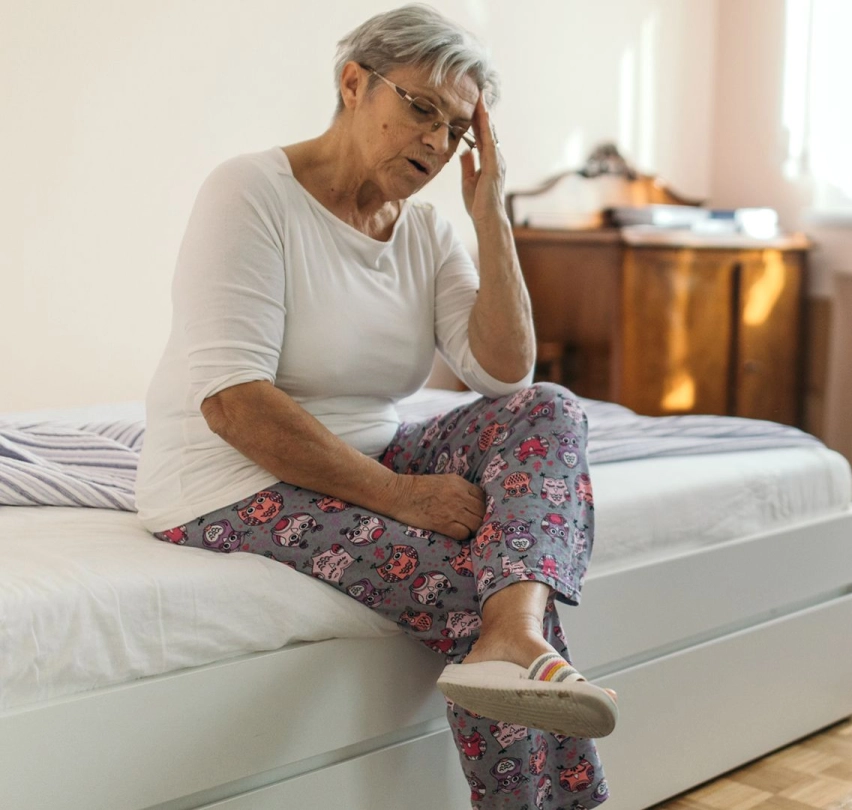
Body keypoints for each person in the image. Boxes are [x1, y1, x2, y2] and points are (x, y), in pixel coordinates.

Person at [134, 5, 615, 807]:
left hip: (368, 451)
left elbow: (504, 372)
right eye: (422, 108)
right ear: (354, 83)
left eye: (457, 130)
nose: (435, 141)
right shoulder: (251, 192)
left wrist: (489, 211)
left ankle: (514, 632)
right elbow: (234, 405)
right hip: (227, 479)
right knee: (468, 580)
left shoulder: (424, 229)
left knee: (550, 411)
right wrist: (400, 497)